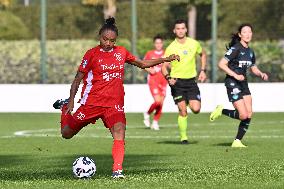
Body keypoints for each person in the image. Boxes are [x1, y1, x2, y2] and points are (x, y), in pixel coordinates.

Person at [52, 17, 179, 178]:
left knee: (119, 131)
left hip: (114, 104)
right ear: (100, 36)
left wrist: (165, 59)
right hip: (91, 103)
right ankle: (63, 109)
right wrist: (70, 101)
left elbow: (141, 63)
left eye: (112, 40)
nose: (108, 43)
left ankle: (117, 171)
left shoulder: (121, 52)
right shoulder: (91, 54)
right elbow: (77, 79)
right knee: (66, 133)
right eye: (105, 39)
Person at [209, 23, 268, 147]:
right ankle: (222, 110)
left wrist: (260, 73)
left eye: (249, 32)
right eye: (245, 32)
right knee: (243, 115)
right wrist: (235, 75)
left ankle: (237, 141)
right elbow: (221, 64)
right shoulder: (235, 49)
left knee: (249, 114)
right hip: (232, 82)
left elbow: (253, 67)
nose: (247, 34)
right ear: (240, 35)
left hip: (243, 83)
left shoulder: (250, 52)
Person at [161, 19, 207, 144]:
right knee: (182, 111)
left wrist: (203, 70)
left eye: (182, 28)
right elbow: (163, 66)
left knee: (196, 109)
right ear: (174, 31)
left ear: (186, 29)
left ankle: (185, 101)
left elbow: (203, 54)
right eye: (178, 28)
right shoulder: (171, 47)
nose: (180, 30)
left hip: (191, 82)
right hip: (177, 83)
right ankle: (183, 137)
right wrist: (168, 78)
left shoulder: (194, 43)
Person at [143, 35, 167, 130]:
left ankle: (155, 122)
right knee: (157, 101)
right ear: (154, 44)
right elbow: (143, 64)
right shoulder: (150, 54)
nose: (158, 45)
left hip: (164, 81)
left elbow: (170, 65)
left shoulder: (166, 53)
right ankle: (147, 113)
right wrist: (149, 70)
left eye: (160, 43)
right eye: (157, 43)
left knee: (161, 103)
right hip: (153, 80)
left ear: (162, 43)